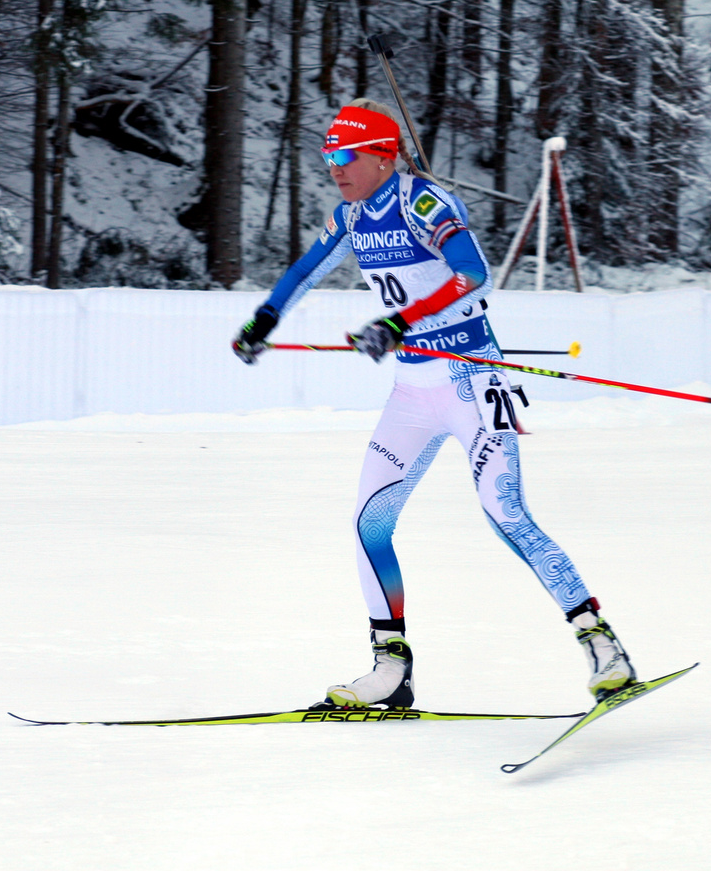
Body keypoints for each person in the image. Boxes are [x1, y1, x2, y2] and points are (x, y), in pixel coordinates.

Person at [232, 98, 637, 710]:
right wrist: (264, 318)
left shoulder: (426, 203)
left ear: (382, 156)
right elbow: (305, 271)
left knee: (505, 515)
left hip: (472, 378)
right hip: (412, 391)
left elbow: (473, 275)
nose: (335, 168)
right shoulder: (351, 215)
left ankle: (604, 647)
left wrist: (400, 320)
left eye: (346, 156)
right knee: (370, 522)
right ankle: (391, 670)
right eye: (328, 157)